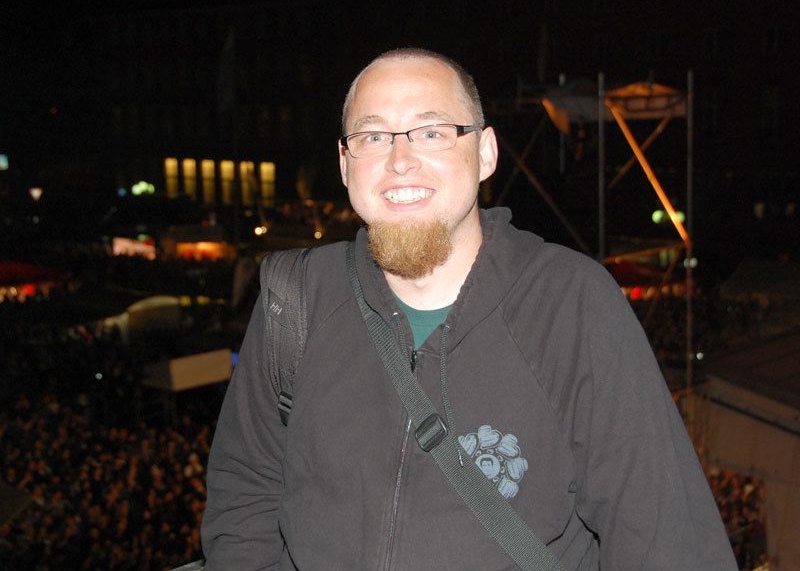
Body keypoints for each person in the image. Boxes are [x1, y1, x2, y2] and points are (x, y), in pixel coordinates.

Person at [201, 48, 736, 570]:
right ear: (345, 164)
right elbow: (244, 498)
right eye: (373, 136)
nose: (399, 160)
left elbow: (663, 538)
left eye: (431, 132)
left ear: (485, 153)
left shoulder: (573, 304)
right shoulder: (294, 298)